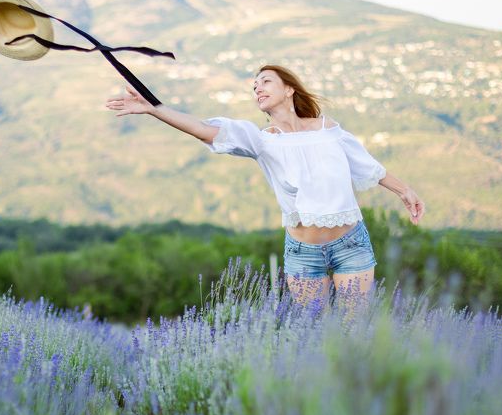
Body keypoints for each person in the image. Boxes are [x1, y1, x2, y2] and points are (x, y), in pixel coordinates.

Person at [105, 64, 425, 308]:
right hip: (303, 252)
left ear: (289, 90)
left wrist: (405, 190)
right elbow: (204, 130)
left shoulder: (329, 130)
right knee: (313, 338)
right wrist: (154, 109)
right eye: (254, 86)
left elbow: (367, 166)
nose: (257, 87)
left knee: (354, 336)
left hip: (351, 245)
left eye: (265, 81)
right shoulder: (261, 141)